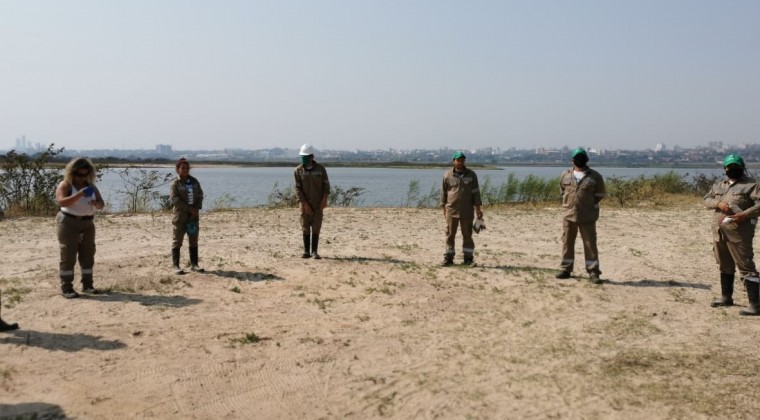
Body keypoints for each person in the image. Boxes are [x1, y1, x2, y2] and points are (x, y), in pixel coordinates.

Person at [704, 154, 760, 316]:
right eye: (729, 167)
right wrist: (718, 203)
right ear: (725, 169)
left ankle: (755, 305)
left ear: (742, 168)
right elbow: (707, 199)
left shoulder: (751, 186)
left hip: (739, 232)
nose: (732, 170)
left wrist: (745, 214)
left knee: (746, 265)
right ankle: (726, 297)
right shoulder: (718, 185)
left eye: (736, 166)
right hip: (719, 231)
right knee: (724, 264)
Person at [54, 157, 105, 298]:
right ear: (72, 173)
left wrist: (97, 204)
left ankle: (87, 285)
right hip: (69, 222)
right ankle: (67, 288)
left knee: (88, 255)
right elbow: (61, 202)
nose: (82, 178)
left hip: (88, 223)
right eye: (79, 175)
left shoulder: (92, 186)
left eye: (85, 175)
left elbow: (101, 204)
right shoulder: (66, 185)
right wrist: (79, 194)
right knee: (68, 255)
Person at [556, 147, 605, 283]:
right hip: (568, 215)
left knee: (590, 244)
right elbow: (562, 192)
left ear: (587, 159)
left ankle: (593, 272)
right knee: (567, 242)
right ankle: (566, 269)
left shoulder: (595, 176)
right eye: (577, 157)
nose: (579, 160)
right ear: (572, 160)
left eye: (582, 157)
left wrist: (587, 204)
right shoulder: (565, 175)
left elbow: (600, 194)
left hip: (587, 216)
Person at [441, 151, 483, 266]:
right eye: (458, 160)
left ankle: (468, 259)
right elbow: (444, 192)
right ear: (453, 161)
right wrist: (443, 207)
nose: (460, 162)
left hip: (467, 210)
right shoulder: (447, 175)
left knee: (467, 235)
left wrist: (478, 209)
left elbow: (476, 192)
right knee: (450, 235)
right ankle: (448, 259)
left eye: (462, 160)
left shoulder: (471, 175)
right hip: (451, 210)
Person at [294, 144, 330, 259]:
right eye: (302, 157)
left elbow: (326, 186)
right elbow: (297, 189)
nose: (304, 159)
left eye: (306, 157)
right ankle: (306, 251)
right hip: (304, 204)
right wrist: (304, 203)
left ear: (312, 156)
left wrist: (324, 199)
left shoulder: (321, 169)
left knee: (316, 226)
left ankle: (314, 251)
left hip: (318, 203)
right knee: (305, 226)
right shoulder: (298, 171)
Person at [170, 158, 205, 274]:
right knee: (177, 240)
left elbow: (200, 194)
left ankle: (194, 264)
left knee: (193, 240)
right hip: (180, 217)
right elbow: (175, 199)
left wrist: (197, 207)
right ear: (177, 169)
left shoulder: (194, 181)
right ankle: (176, 266)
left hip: (193, 217)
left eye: (187, 168)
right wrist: (188, 208)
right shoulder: (175, 183)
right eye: (182, 168)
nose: (185, 170)